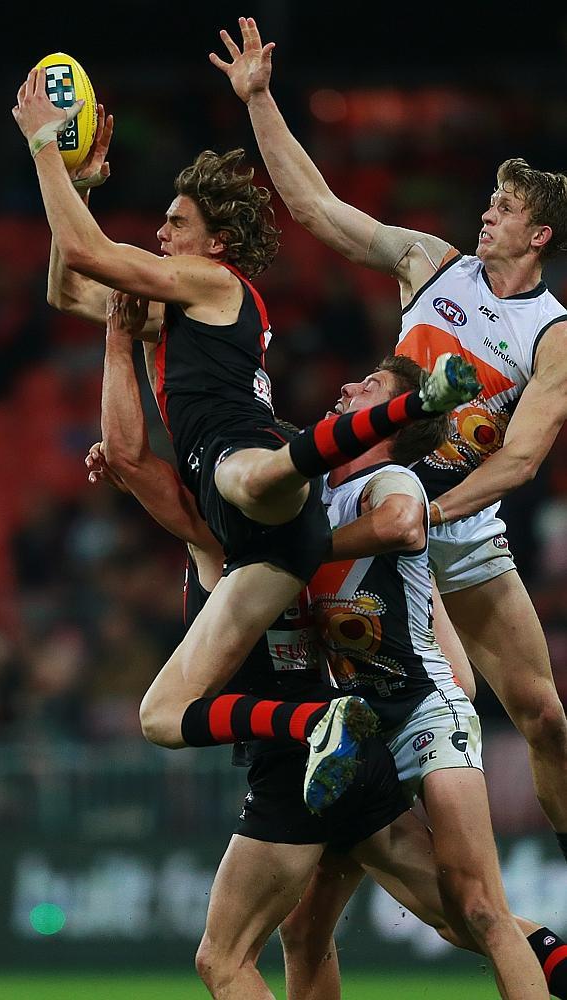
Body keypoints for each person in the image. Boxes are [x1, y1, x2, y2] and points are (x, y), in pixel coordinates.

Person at [13, 72, 476, 783]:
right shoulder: (170, 308)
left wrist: (48, 147)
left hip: (248, 461)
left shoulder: (215, 285)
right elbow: (66, 288)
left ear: (217, 244)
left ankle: (417, 403)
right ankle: (319, 722)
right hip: (263, 547)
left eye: (176, 224)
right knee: (161, 717)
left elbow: (88, 255)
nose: (161, 235)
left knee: (249, 473)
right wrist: (80, 188)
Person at [88, 298, 557, 999]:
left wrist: (120, 337)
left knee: (223, 951)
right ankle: (553, 956)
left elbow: (136, 455)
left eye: (367, 387)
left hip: (306, 744)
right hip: (360, 729)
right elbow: (142, 460)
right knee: (441, 916)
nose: (344, 390)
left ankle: (311, 724)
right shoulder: (320, 501)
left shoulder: (259, 527)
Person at [210, 15, 567, 861]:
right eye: (489, 200)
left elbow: (520, 458)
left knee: (544, 715)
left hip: (458, 526)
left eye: (505, 209)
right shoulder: (432, 263)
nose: (487, 215)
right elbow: (314, 206)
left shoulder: (551, 334)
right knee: (414, 703)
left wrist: (436, 519)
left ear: (539, 237)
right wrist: (260, 101)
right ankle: (357, 844)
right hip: (373, 505)